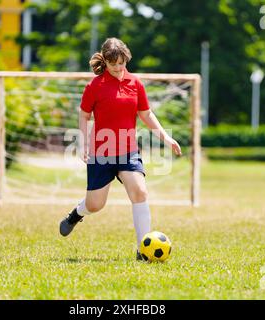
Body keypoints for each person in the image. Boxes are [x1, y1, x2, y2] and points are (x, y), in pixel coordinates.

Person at [59, 37, 182, 260]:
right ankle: (76, 214)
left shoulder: (136, 84)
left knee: (140, 191)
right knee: (96, 204)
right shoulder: (94, 86)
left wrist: (166, 137)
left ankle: (142, 250)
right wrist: (84, 143)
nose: (118, 68)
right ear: (105, 62)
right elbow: (84, 115)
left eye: (122, 62)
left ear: (127, 59)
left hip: (128, 151)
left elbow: (146, 114)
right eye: (113, 63)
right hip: (101, 152)